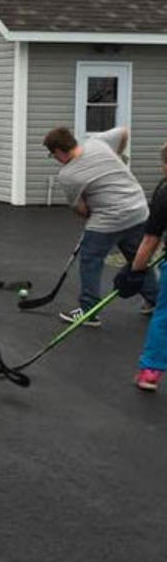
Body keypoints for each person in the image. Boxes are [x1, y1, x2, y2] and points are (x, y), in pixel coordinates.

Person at [45, 125, 158, 326]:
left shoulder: (68, 175)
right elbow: (124, 131)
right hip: (138, 208)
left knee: (90, 259)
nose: (55, 159)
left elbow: (81, 210)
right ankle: (156, 301)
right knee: (138, 258)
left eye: (53, 155)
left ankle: (89, 311)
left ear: (60, 152)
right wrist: (117, 154)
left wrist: (91, 211)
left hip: (109, 218)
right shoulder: (97, 142)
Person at [117, 142, 167, 390]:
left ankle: (150, 371)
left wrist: (135, 271)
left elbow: (149, 240)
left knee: (164, 316)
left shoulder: (164, 192)